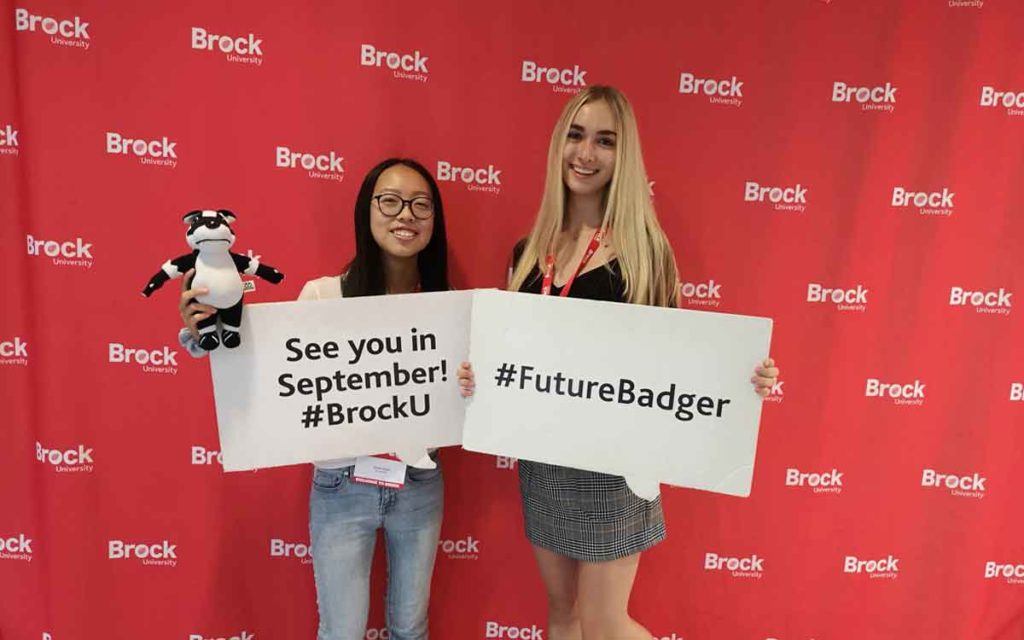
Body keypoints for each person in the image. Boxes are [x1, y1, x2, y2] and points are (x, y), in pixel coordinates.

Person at [456, 86, 780, 640]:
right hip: (545, 459)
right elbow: (517, 353)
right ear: (559, 143)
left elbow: (678, 361)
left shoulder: (644, 252)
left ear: (622, 157)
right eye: (577, 136)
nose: (586, 153)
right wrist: (479, 378)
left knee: (606, 626)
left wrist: (744, 378)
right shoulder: (529, 249)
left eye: (605, 141)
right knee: (564, 616)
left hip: (615, 467)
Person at [179, 158, 450, 640]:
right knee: (341, 631)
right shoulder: (323, 297)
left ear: (434, 219)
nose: (404, 214)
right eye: (389, 201)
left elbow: (463, 399)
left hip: (418, 486)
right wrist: (209, 332)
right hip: (342, 486)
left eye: (420, 204)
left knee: (411, 626)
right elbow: (269, 369)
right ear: (366, 212)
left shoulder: (449, 306)